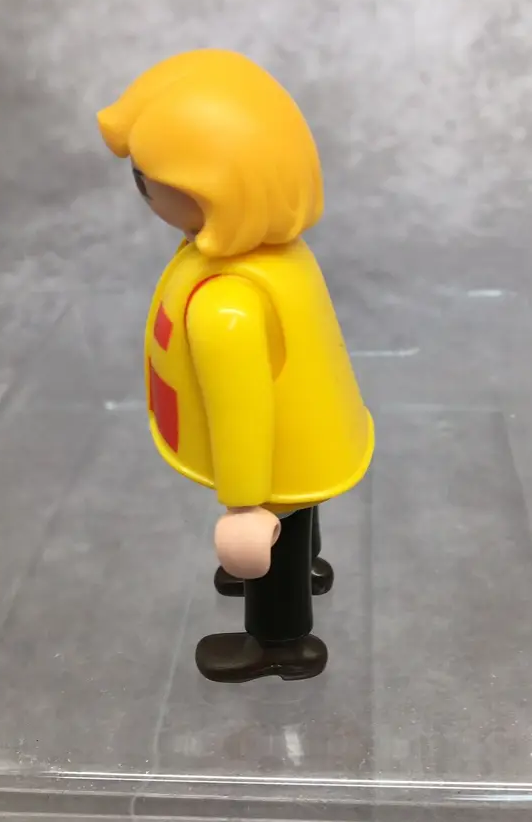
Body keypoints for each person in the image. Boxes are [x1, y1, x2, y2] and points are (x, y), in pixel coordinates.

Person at [97, 49, 374, 682]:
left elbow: (241, 412)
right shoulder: (277, 257)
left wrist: (246, 508)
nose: (143, 189)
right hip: (314, 440)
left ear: (210, 193)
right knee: (299, 514)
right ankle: (305, 560)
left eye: (147, 179)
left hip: (272, 463)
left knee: (280, 530)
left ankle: (280, 638)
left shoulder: (226, 303)